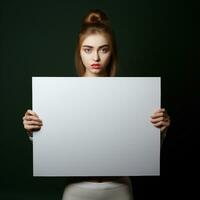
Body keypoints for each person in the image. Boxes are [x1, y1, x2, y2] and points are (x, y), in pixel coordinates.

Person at [22, 9, 170, 200]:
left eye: (103, 49)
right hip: (77, 189)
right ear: (79, 50)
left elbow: (141, 149)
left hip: (119, 188)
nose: (96, 58)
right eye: (88, 49)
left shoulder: (132, 97)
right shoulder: (60, 97)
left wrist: (160, 130)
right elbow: (55, 146)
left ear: (112, 51)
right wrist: (33, 131)